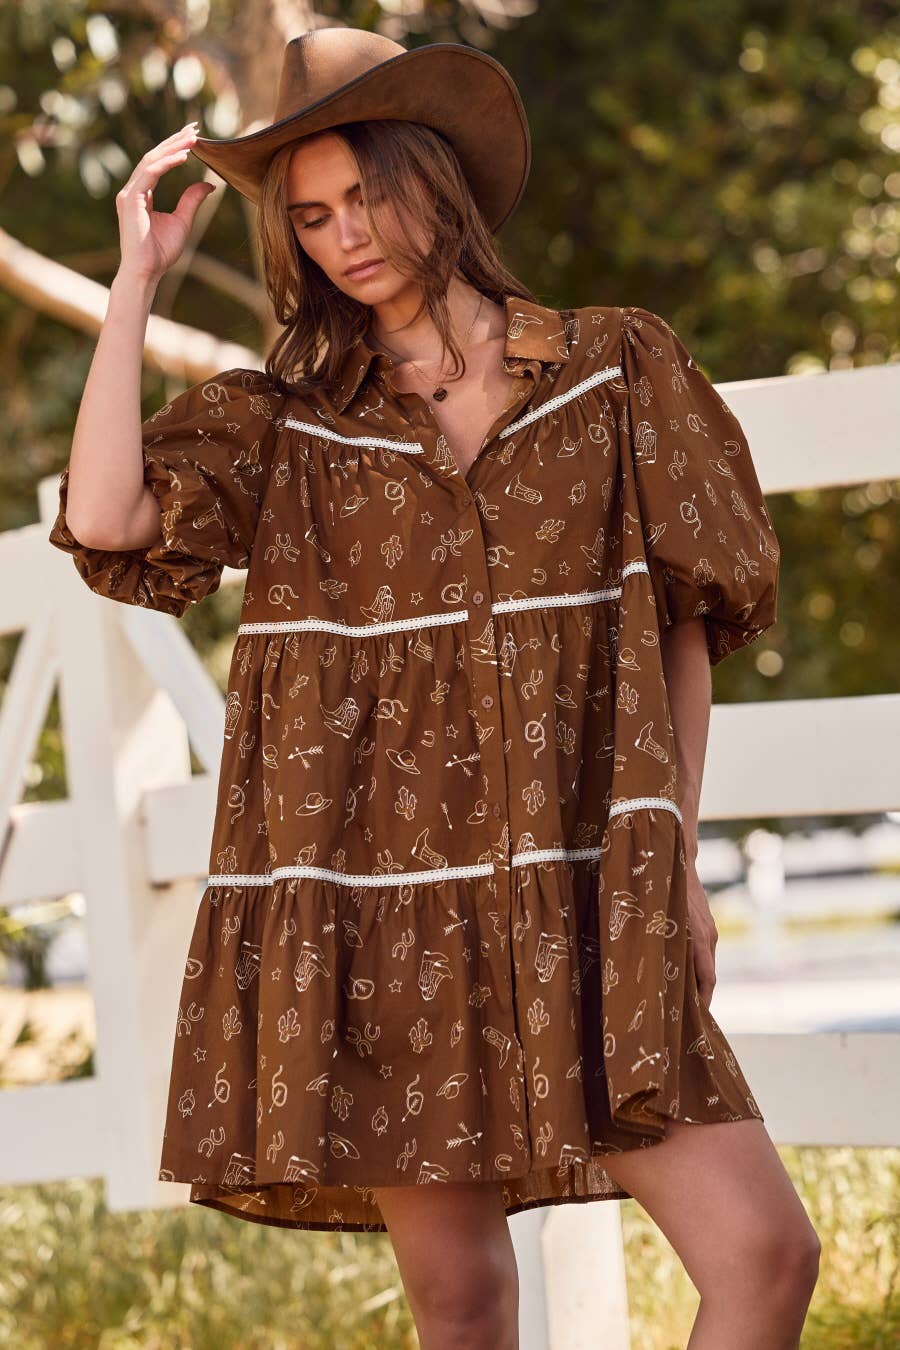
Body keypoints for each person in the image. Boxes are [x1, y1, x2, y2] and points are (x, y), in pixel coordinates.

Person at [48, 26, 820, 1350]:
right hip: (386, 913)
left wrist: (672, 849)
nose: (346, 235)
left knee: (763, 1252)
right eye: (310, 215)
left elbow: (685, 620)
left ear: (438, 177)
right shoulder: (285, 425)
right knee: (461, 1299)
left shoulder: (614, 370)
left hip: (585, 890)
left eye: (367, 193)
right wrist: (135, 281)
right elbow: (110, 514)